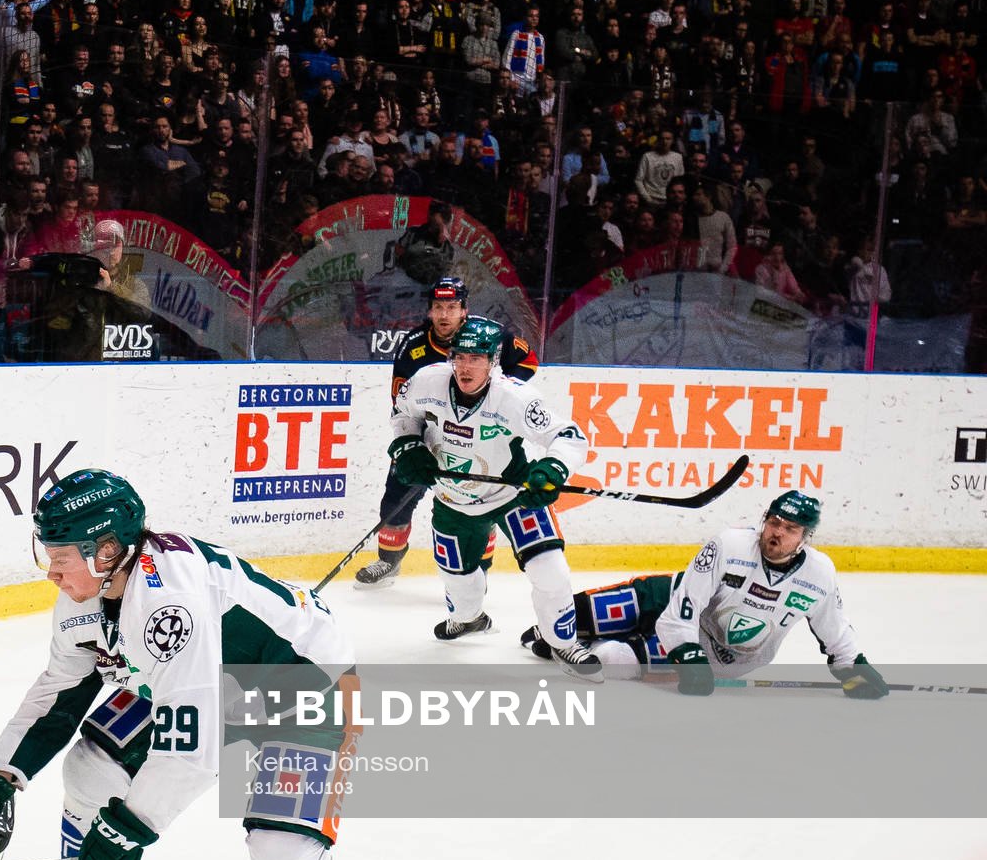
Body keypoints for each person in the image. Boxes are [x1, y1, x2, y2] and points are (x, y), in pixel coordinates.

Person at [0, 470, 359, 860]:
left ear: (106, 551)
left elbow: (189, 756)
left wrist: (126, 832)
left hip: (301, 687)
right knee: (90, 769)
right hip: (202, 678)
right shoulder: (93, 592)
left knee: (281, 856)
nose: (52, 573)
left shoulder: (167, 604)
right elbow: (61, 691)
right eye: (48, 555)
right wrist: (0, 773)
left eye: (62, 558)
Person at [388, 317, 599, 677]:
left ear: (493, 361)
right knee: (459, 585)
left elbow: (568, 436)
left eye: (476, 359)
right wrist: (408, 447)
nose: (465, 367)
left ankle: (563, 643)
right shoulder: (426, 382)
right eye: (460, 357)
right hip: (452, 499)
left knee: (550, 570)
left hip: (512, 493)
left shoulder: (514, 397)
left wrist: (552, 469)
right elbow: (403, 416)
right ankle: (469, 619)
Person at [524, 491, 887, 699]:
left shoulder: (819, 575)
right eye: (773, 522)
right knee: (566, 618)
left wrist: (853, 667)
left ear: (805, 537)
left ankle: (575, 646)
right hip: (672, 602)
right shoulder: (731, 544)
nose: (776, 532)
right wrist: (687, 652)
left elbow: (835, 629)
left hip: (724, 654)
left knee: (611, 660)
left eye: (789, 528)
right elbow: (684, 605)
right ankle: (557, 636)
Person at [355, 277, 538, 587]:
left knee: (479, 504)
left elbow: (528, 361)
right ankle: (389, 561)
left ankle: (478, 570)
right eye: (438, 307)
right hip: (430, 438)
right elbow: (401, 402)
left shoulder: (489, 335)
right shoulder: (413, 345)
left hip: (478, 442)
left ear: (464, 310)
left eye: (452, 307)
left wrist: (496, 393)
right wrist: (412, 445)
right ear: (429, 310)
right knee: (396, 496)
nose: (444, 315)